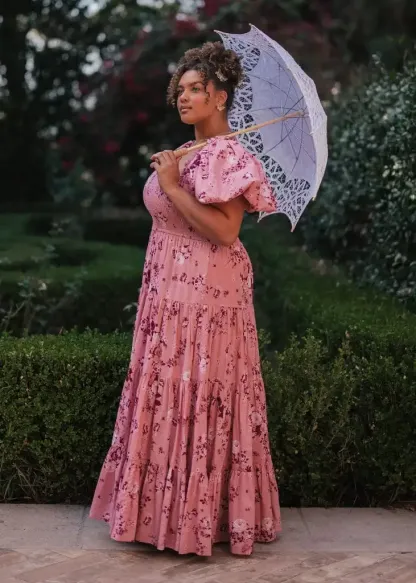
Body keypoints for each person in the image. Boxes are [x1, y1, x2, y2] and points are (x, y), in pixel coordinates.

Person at [89, 41, 281, 557]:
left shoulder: (230, 157)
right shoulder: (186, 151)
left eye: (197, 89)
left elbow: (225, 231)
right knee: (166, 392)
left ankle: (199, 522)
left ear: (220, 97)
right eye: (181, 88)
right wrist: (173, 175)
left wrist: (173, 187)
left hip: (207, 296)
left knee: (200, 394)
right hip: (167, 294)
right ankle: (159, 520)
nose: (183, 96)